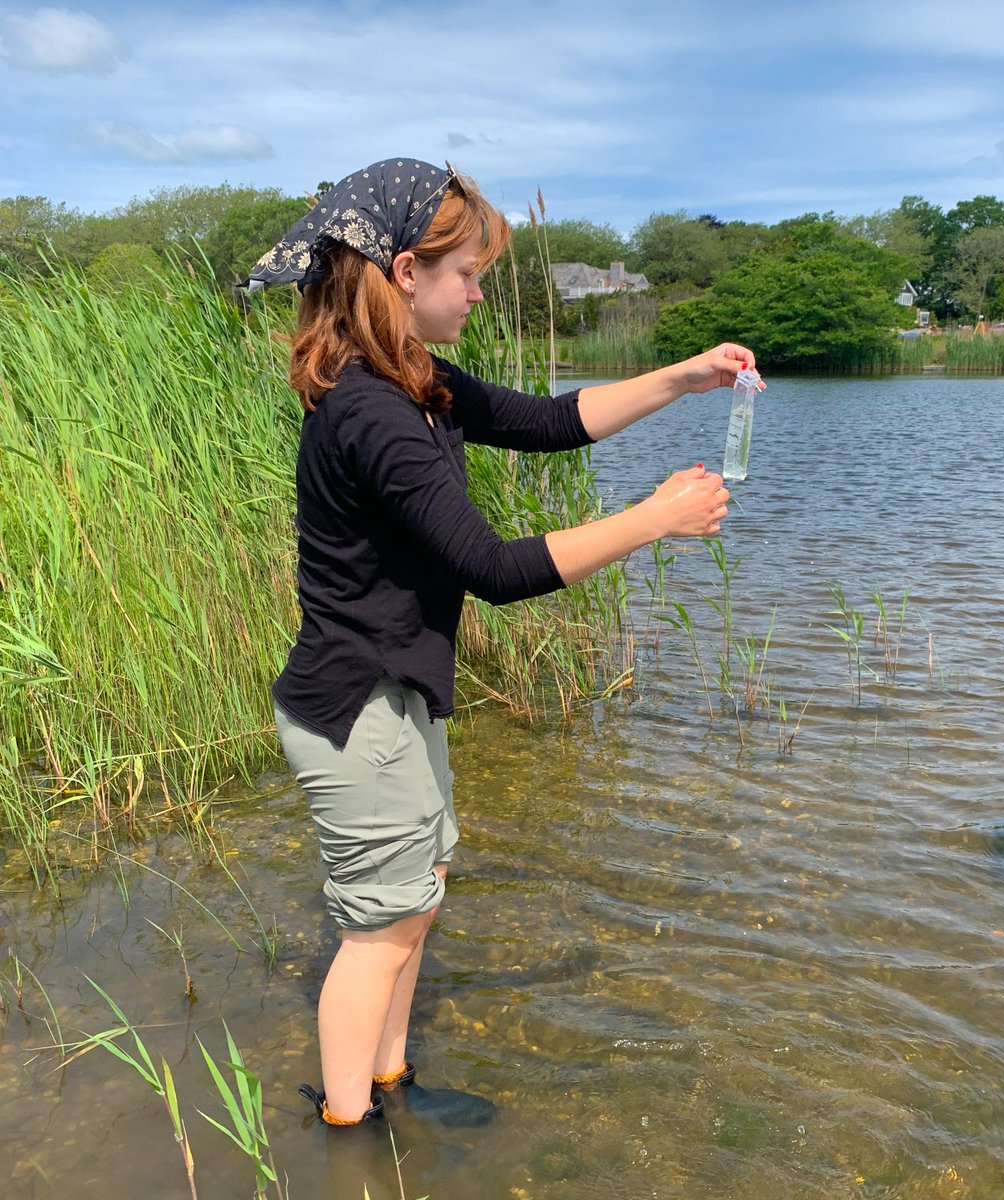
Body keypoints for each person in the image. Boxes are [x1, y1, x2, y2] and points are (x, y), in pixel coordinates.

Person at [245, 158, 755, 1127]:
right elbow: (496, 569)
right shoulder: (374, 412)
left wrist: (685, 378)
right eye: (468, 274)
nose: (479, 293)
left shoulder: (415, 380)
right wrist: (656, 517)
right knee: (376, 933)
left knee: (414, 900)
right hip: (357, 708)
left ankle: (391, 1084)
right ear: (403, 272)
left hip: (392, 695)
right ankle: (349, 1128)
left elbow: (551, 422)